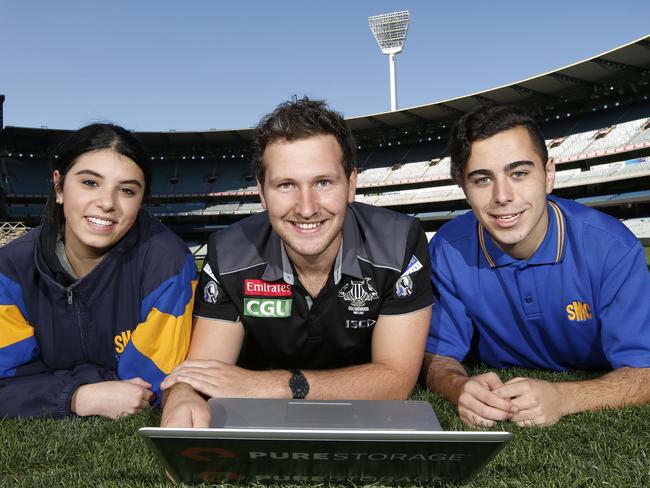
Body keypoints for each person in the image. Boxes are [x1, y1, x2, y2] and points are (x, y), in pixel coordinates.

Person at [161, 97, 433, 427]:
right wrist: (184, 395)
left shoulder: (399, 242)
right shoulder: (229, 251)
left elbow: (396, 381)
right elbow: (204, 372)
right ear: (262, 193)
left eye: (323, 182)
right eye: (286, 185)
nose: (306, 207)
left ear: (351, 184)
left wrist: (276, 386)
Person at [423, 104, 650, 427]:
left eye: (519, 173)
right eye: (483, 179)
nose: (503, 196)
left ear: (549, 175)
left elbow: (644, 371)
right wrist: (458, 386)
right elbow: (436, 356)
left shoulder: (611, 246)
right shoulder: (448, 249)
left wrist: (563, 398)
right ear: (463, 186)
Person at [0, 123, 196, 419]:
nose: (107, 203)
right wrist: (78, 396)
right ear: (59, 186)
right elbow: (5, 381)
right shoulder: (9, 268)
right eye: (90, 182)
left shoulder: (167, 264)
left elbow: (147, 384)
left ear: (141, 200)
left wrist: (45, 384)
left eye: (127, 190)